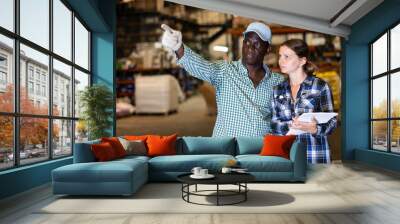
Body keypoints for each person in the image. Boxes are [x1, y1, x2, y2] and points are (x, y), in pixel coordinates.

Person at [161, 22, 285, 137]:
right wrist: (179, 48)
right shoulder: (225, 71)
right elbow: (201, 66)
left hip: (259, 153)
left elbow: (282, 119)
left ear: (267, 49)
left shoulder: (277, 81)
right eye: (247, 42)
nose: (250, 48)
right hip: (225, 151)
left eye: (257, 44)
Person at [271, 39, 337, 163]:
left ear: (302, 61)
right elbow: (274, 124)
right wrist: (291, 125)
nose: (281, 61)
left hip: (315, 155)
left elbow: (332, 123)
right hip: (287, 157)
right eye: (280, 56)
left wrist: (315, 129)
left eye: (287, 56)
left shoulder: (320, 86)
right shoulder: (277, 90)